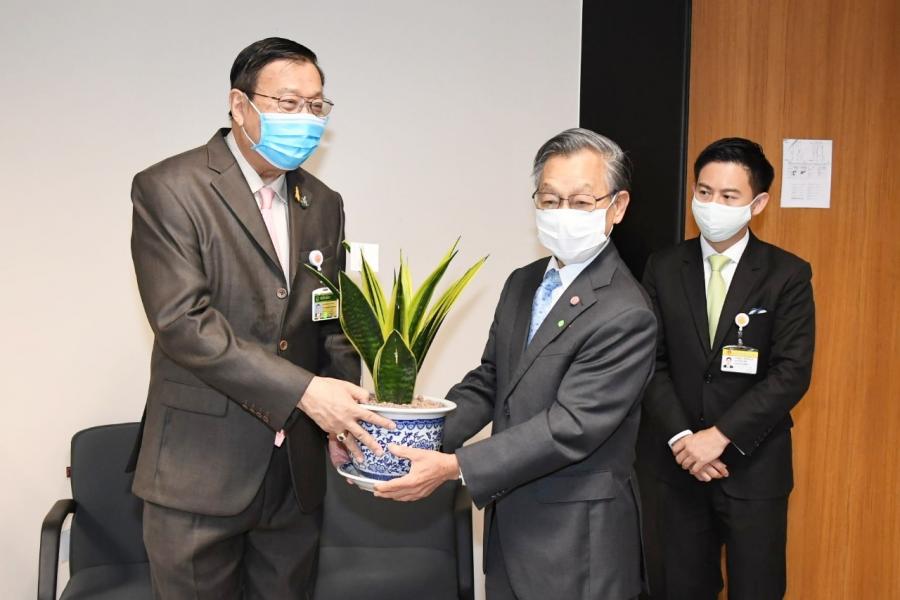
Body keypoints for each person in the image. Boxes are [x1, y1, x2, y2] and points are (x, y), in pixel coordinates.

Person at [129, 37, 393, 599]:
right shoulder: (170, 187)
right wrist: (306, 393)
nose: (306, 120)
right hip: (200, 473)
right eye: (288, 103)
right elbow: (183, 323)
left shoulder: (323, 202)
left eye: (316, 106)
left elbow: (330, 318)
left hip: (294, 476)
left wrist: (339, 417)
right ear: (239, 105)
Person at [372, 128, 657, 600]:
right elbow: (490, 380)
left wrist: (454, 467)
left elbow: (571, 426)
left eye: (581, 202)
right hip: (510, 528)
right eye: (550, 200)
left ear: (617, 206)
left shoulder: (626, 312)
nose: (562, 213)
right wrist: (408, 440)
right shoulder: (524, 283)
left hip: (576, 541)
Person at [637, 137, 815, 599]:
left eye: (729, 196)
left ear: (758, 204)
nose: (712, 205)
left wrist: (719, 437)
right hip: (675, 467)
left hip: (754, 468)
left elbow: (791, 372)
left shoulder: (787, 274)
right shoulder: (662, 267)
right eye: (704, 192)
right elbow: (650, 362)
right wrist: (684, 439)